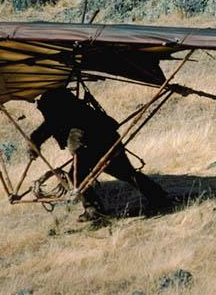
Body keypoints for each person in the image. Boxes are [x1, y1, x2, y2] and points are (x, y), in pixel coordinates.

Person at [28, 87, 172, 220]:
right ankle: (159, 197)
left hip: (100, 143)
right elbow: (42, 132)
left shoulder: (74, 115)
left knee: (83, 176)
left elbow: (76, 140)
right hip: (100, 142)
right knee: (125, 173)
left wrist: (75, 151)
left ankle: (93, 210)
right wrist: (33, 145)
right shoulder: (60, 116)